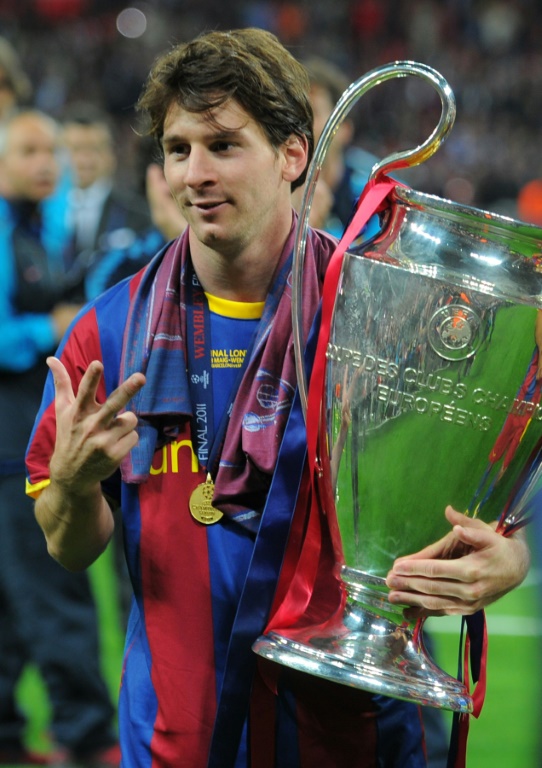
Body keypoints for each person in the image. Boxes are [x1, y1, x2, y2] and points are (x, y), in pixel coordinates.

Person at [26, 29, 531, 768]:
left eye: (224, 145)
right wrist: (71, 486)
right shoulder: (109, 331)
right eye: (177, 148)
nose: (194, 173)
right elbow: (69, 546)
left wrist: (502, 566)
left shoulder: (383, 314)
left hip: (357, 737)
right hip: (177, 744)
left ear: (294, 155)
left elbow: (491, 521)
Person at [0, 109, 121, 767]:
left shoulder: (40, 226)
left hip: (18, 433)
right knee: (54, 593)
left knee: (14, 601)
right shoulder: (5, 229)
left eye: (52, 151)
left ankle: (7, 733)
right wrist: (48, 328)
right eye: (30, 150)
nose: (48, 161)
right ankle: (87, 733)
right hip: (10, 440)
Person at [60, 103, 152, 301]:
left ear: (112, 155)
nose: (85, 159)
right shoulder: (39, 215)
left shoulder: (141, 216)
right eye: (75, 150)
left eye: (94, 149)